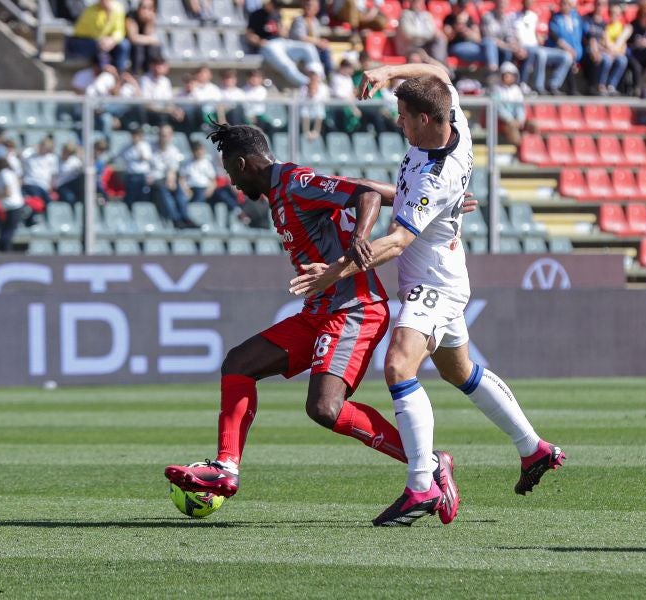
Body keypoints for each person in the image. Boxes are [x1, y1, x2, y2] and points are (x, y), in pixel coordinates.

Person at [289, 62, 564, 526]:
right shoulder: (450, 113)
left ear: (428, 120)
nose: (398, 122)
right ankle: (533, 448)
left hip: (432, 283)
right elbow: (436, 69)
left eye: (404, 116)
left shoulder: (433, 177)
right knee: (462, 372)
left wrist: (331, 274)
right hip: (446, 270)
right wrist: (385, 71)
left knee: (399, 364)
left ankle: (421, 485)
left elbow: (396, 243)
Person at [165, 120, 460, 526]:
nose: (232, 181)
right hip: (319, 311)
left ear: (243, 162)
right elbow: (368, 187)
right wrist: (439, 202)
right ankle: (226, 468)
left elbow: (365, 194)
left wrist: (360, 235)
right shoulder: (281, 190)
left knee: (324, 408)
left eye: (231, 171)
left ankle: (427, 462)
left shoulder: (294, 180)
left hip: (354, 308)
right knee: (238, 363)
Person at [246, 0, 324, 87]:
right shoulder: (257, 14)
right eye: (275, 4)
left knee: (309, 47)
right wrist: (259, 42)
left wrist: (284, 30)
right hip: (267, 45)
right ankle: (307, 84)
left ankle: (319, 79)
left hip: (281, 43)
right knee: (288, 65)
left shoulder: (276, 13)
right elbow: (249, 35)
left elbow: (283, 33)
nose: (277, 6)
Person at [65, 0, 131, 72]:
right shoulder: (91, 10)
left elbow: (119, 31)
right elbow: (97, 33)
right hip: (85, 40)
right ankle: (102, 71)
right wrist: (110, 15)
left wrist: (112, 40)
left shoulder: (118, 8)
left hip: (106, 40)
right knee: (100, 45)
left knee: (124, 45)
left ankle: (119, 73)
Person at [0, 145, 26, 252]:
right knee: (4, 232)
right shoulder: (2, 173)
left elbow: (8, 192)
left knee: (7, 234)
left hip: (13, 206)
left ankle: (5, 255)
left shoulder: (5, 174)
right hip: (7, 206)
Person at [125, 0, 162, 74]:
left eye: (149, 8)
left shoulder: (151, 18)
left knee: (153, 48)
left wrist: (150, 21)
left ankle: (149, 74)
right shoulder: (131, 16)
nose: (146, 11)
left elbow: (148, 34)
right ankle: (134, 74)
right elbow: (133, 38)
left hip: (143, 45)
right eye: (144, 8)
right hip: (130, 45)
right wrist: (151, 40)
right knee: (138, 49)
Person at [21, 135, 59, 204]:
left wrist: (51, 187)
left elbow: (53, 174)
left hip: (43, 185)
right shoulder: (30, 155)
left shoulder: (52, 158)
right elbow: (21, 155)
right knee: (36, 197)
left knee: (47, 200)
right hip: (30, 183)